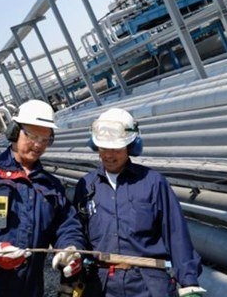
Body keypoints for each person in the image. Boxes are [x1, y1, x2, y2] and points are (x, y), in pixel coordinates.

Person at [0, 99, 86, 297]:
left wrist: (70, 248)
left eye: (45, 139)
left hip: (26, 288)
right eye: (32, 136)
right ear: (14, 131)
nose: (38, 145)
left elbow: (67, 225)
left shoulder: (51, 186)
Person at [73, 108, 205, 297]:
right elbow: (76, 233)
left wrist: (189, 282)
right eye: (103, 148)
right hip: (102, 286)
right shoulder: (86, 186)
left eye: (116, 149)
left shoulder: (153, 183)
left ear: (130, 146)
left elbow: (176, 234)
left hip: (148, 285)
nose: (109, 155)